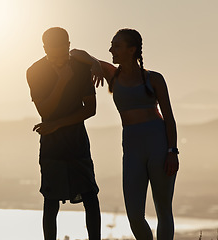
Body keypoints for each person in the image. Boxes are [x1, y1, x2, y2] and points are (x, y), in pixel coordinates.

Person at [71, 28, 179, 240]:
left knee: (163, 210)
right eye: (111, 45)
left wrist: (172, 151)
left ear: (132, 50)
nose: (111, 49)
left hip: (159, 144)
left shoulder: (154, 79)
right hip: (131, 147)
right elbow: (74, 52)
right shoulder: (112, 74)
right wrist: (93, 63)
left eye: (116, 46)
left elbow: (169, 117)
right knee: (134, 216)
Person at [26, 27, 101, 240]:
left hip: (77, 142)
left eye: (63, 53)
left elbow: (91, 109)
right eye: (53, 54)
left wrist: (57, 124)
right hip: (52, 146)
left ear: (68, 46)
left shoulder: (80, 66)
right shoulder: (35, 71)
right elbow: (45, 111)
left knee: (90, 196)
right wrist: (62, 81)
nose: (60, 59)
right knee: (50, 200)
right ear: (45, 48)